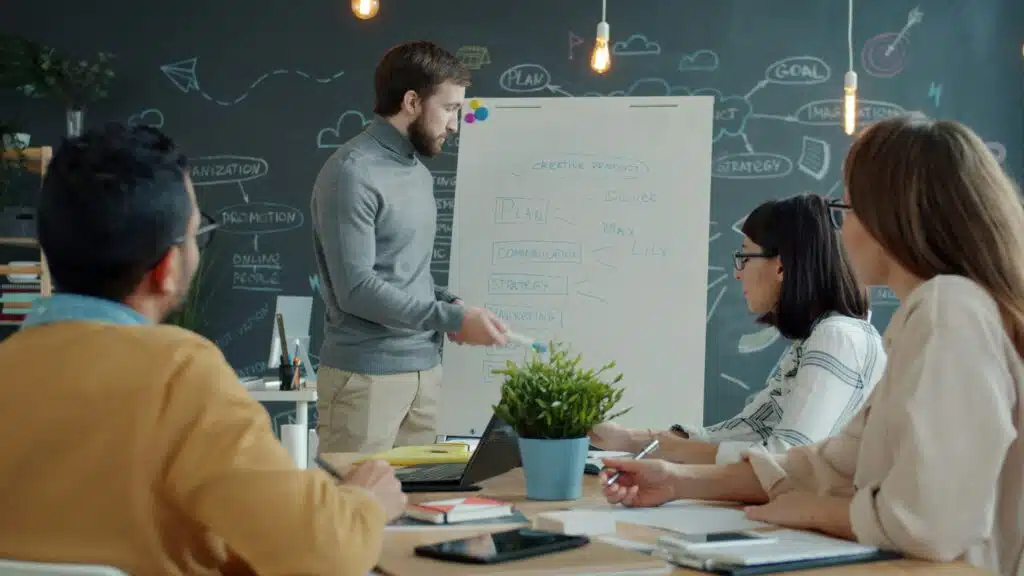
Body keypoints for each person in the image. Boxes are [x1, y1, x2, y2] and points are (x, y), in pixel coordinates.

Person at [597, 116, 1024, 575]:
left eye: (847, 209)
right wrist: (677, 480)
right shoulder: (927, 316)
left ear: (888, 217)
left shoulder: (949, 308)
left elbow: (928, 524)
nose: (841, 231)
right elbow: (832, 463)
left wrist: (815, 511)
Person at [0, 123, 405, 575]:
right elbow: (324, 555)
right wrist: (366, 503)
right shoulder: (179, 373)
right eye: (197, 233)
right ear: (167, 268)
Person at [310, 40, 508, 455]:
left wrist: (448, 303)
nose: (455, 125)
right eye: (449, 108)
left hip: (425, 373)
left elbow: (401, 273)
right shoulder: (352, 172)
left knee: (418, 495)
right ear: (412, 102)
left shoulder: (417, 172)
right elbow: (357, 289)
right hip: (365, 381)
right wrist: (450, 318)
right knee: (356, 497)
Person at [589, 193, 885, 465]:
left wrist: (672, 461)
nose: (736, 272)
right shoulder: (815, 339)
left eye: (744, 257)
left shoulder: (837, 338)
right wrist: (627, 439)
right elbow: (750, 428)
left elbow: (783, 460)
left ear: (781, 267)